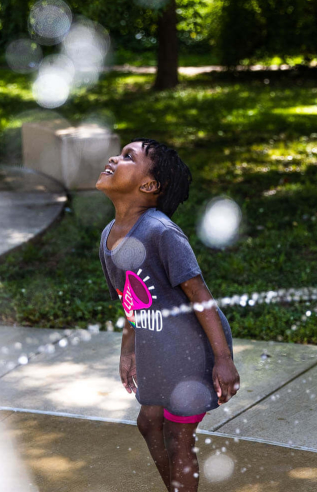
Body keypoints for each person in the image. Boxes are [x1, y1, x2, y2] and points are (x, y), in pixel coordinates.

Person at [96, 137, 240, 492]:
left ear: (149, 185)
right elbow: (127, 299)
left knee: (177, 437)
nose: (115, 158)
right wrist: (128, 351)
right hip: (159, 353)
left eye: (128, 156)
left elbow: (200, 295)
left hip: (192, 352)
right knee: (149, 424)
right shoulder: (108, 238)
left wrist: (223, 359)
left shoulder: (161, 232)